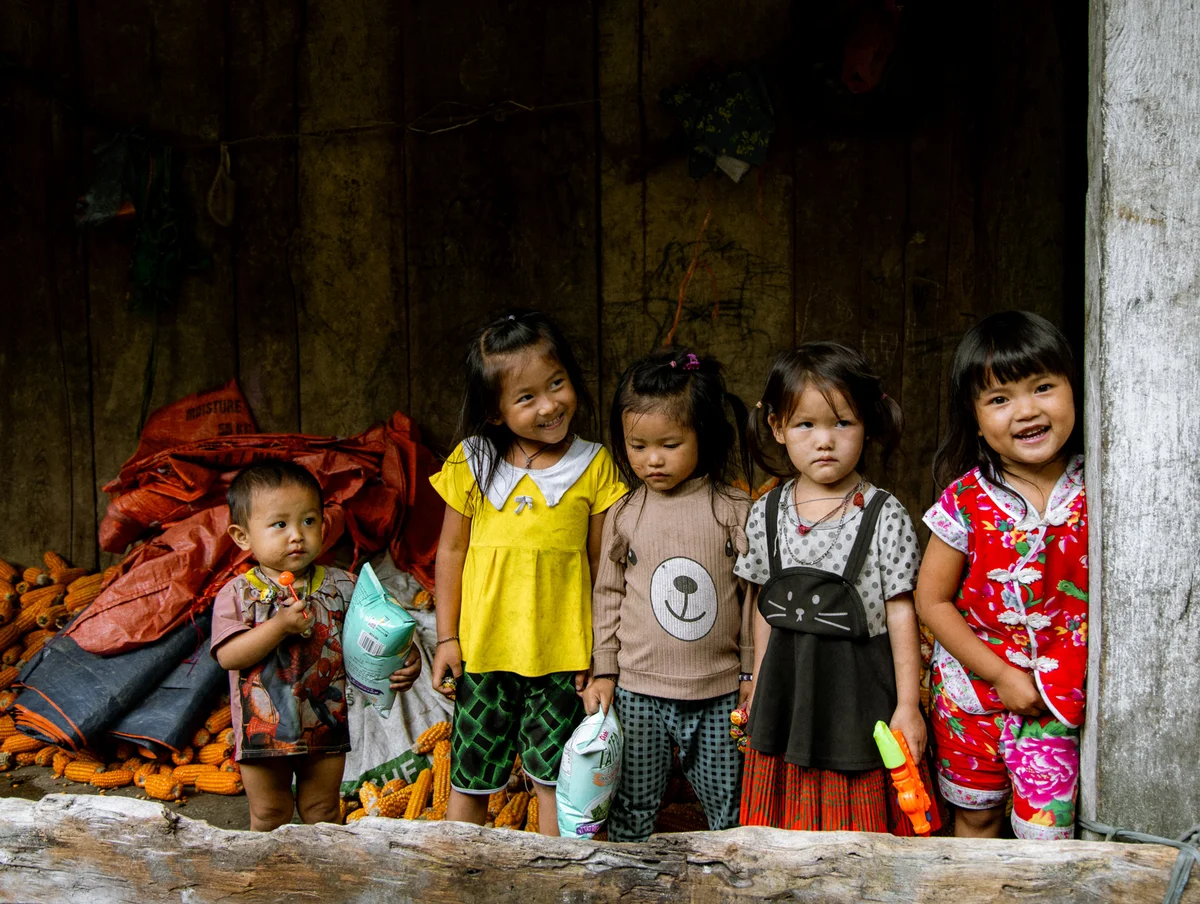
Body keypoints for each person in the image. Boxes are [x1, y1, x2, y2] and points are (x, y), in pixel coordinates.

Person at [429, 310, 627, 835]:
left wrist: (597, 653)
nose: (549, 405)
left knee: (555, 782)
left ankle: (553, 882)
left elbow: (601, 566)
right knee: (469, 780)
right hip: (483, 651)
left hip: (561, 657)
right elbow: (450, 552)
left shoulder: (594, 464)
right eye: (526, 397)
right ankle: (457, 877)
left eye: (556, 384)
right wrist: (446, 637)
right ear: (494, 411)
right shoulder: (471, 461)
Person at [736, 342, 934, 833]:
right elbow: (765, 605)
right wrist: (758, 679)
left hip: (856, 688)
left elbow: (900, 611)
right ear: (779, 428)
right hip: (788, 685)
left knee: (859, 825)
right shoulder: (766, 511)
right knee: (785, 827)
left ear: (866, 426)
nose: (824, 440)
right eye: (806, 425)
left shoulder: (882, 513)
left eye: (842, 423)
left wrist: (908, 705)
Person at [915, 311, 1086, 840]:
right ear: (974, 414)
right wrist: (1001, 676)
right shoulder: (966, 500)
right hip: (974, 691)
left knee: (1047, 837)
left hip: (1058, 700)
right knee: (977, 816)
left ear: (1073, 389)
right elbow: (932, 601)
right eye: (1000, 398)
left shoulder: (1100, 487)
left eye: (1043, 387)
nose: (1027, 410)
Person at [581, 348, 753, 841]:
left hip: (717, 690)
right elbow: (609, 593)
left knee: (729, 804)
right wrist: (605, 669)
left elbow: (750, 598)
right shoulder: (626, 512)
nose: (652, 460)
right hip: (638, 689)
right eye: (637, 446)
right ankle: (627, 883)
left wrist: (748, 670)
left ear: (705, 435)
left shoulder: (731, 509)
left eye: (670, 444)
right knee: (631, 803)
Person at [211, 461, 422, 831]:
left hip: (324, 724)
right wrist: (278, 626)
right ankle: (268, 883)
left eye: (308, 521)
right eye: (280, 524)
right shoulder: (240, 594)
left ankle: (326, 885)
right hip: (262, 732)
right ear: (242, 536)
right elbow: (229, 656)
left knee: (323, 812)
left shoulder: (345, 586)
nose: (297, 535)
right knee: (269, 814)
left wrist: (406, 658)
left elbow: (379, 631)